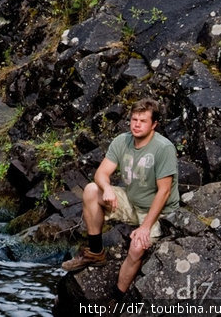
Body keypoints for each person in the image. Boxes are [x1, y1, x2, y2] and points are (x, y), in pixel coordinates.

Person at [61, 98, 180, 302]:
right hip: (131, 202)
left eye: (143, 121)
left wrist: (145, 227)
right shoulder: (122, 141)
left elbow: (164, 192)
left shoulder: (163, 148)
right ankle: (96, 252)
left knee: (136, 247)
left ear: (154, 125)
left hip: (157, 212)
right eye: (134, 119)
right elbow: (101, 173)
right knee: (91, 190)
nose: (136, 124)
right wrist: (106, 188)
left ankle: (117, 297)